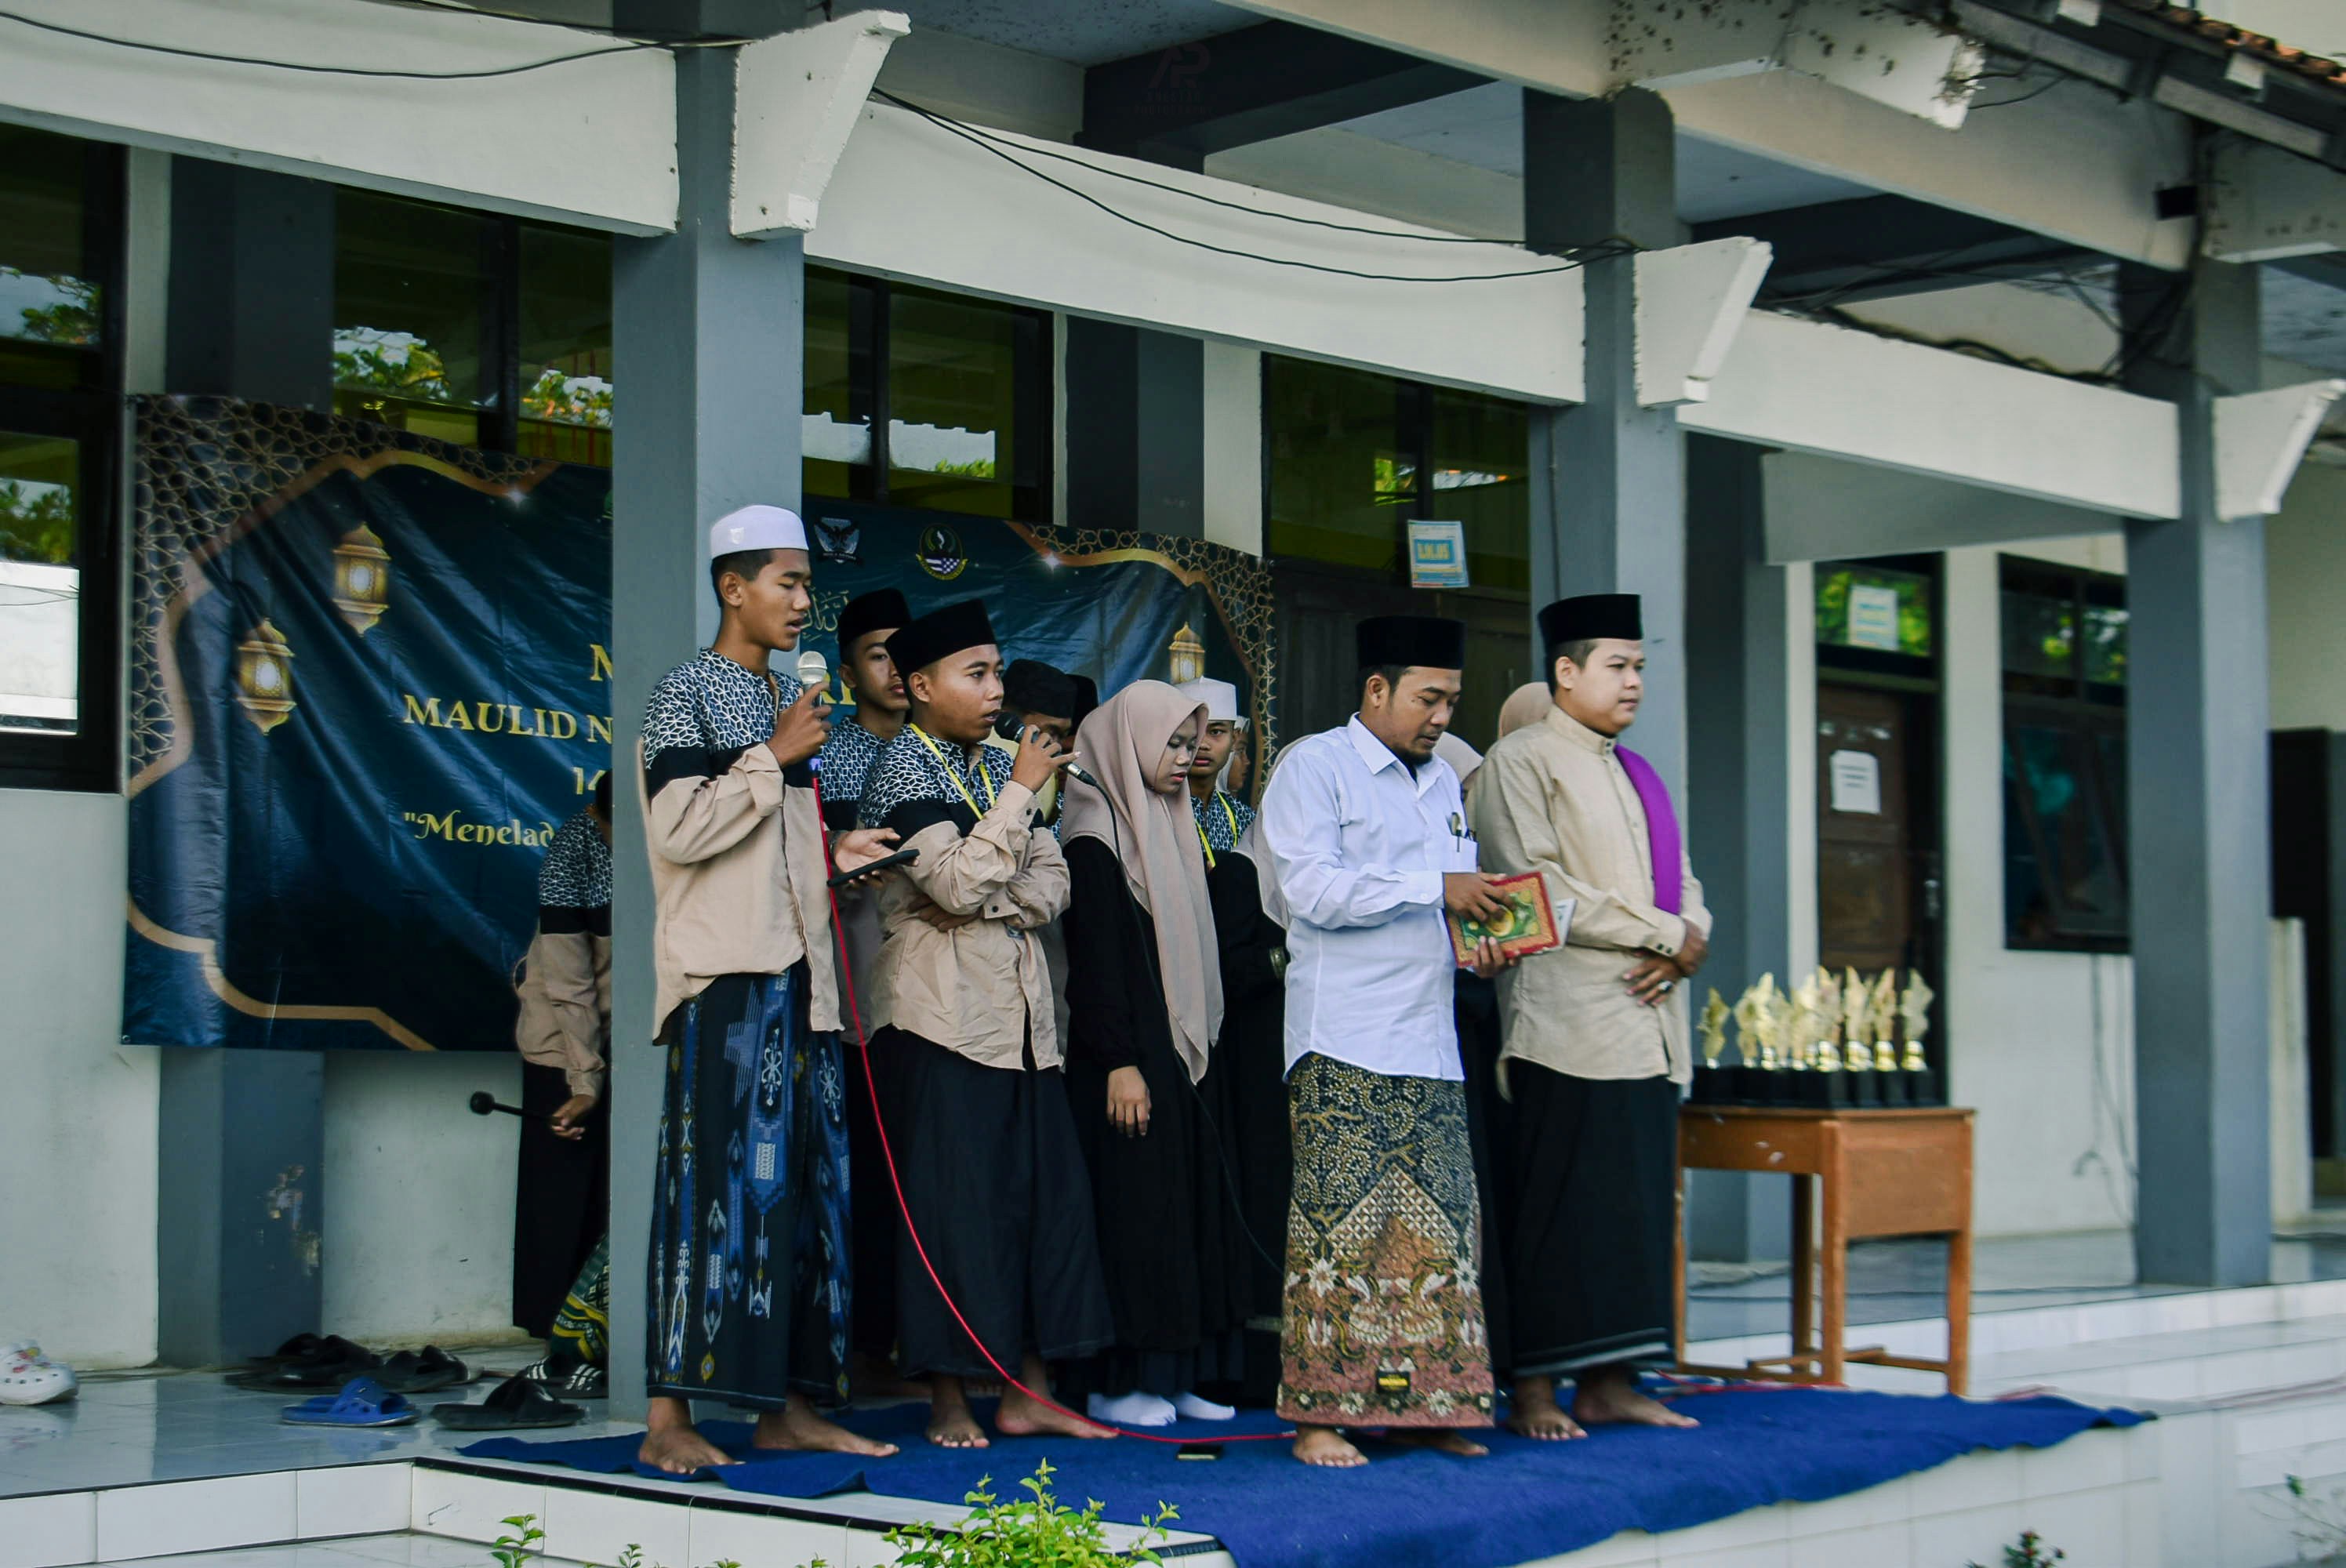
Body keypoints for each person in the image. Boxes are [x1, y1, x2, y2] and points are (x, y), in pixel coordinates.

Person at [635, 504, 902, 1473]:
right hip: (730, 985)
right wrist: (774, 758)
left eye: (806, 585)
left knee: (808, 1200)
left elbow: (762, 844)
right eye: (786, 583)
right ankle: (669, 1415)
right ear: (731, 587)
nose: (803, 602)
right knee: (712, 1191)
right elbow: (678, 829)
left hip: (808, 982)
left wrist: (838, 851)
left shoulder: (782, 706)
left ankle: (787, 1407)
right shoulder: (690, 694)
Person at [1258, 615, 1516, 1468]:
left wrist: (1476, 940)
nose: (1442, 715)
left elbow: (1443, 900)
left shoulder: (1444, 780)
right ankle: (1320, 1415)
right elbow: (1312, 890)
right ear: (1376, 690)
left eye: (1451, 699)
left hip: (1429, 1041)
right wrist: (1435, 885)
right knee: (1337, 1238)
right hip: (1343, 1040)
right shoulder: (1314, 766)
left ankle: (1428, 1404)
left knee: (1440, 1234)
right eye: (1427, 697)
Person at [856, 600, 1116, 1449]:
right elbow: (961, 886)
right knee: (952, 1210)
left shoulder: (1003, 768)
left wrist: (989, 867)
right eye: (977, 673)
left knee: (1045, 1205)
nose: (995, 689)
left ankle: (1029, 1390)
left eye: (997, 670)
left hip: (1026, 1024)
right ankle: (947, 1400)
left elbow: (1052, 888)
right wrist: (1011, 809)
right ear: (921, 685)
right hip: (940, 1023)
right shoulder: (904, 769)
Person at [1470, 593, 1712, 1441]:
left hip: (1647, 1026)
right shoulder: (1521, 759)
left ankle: (1611, 1382)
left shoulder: (1631, 767)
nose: (1634, 681)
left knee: (1632, 1214)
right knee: (1555, 1215)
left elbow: (1683, 882)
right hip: (1563, 1027)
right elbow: (1532, 888)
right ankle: (1535, 1390)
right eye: (1618, 664)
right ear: (1565, 671)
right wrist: (1666, 934)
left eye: (1640, 665)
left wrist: (1689, 933)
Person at [1060, 681, 1245, 1427]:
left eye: (1191, 741)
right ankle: (1119, 1377)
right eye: (1171, 741)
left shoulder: (1166, 820)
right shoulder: (1094, 833)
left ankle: (1177, 1370)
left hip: (1177, 1058)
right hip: (1127, 1064)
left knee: (1183, 1211)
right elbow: (1096, 962)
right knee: (1134, 1215)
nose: (1187, 755)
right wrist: (1119, 1061)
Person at [1175, 677, 1291, 1405]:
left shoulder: (1241, 823)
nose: (1204, 749)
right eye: (1193, 733)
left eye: (1219, 735)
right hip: (1223, 1047)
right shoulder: (1239, 857)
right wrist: (1288, 960)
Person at [819, 586, 914, 1388]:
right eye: (879, 654)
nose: (895, 668)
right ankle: (861, 1341)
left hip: (931, 997)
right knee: (862, 1174)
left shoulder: (939, 751)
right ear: (850, 670)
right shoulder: (834, 756)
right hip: (854, 997)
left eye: (904, 652)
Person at [510, 774, 613, 1346]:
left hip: (621, 1042)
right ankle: (551, 1332)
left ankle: (599, 1329)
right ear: (600, 820)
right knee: (561, 1197)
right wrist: (584, 1082)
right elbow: (570, 986)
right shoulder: (570, 856)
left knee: (608, 1192)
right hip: (561, 1044)